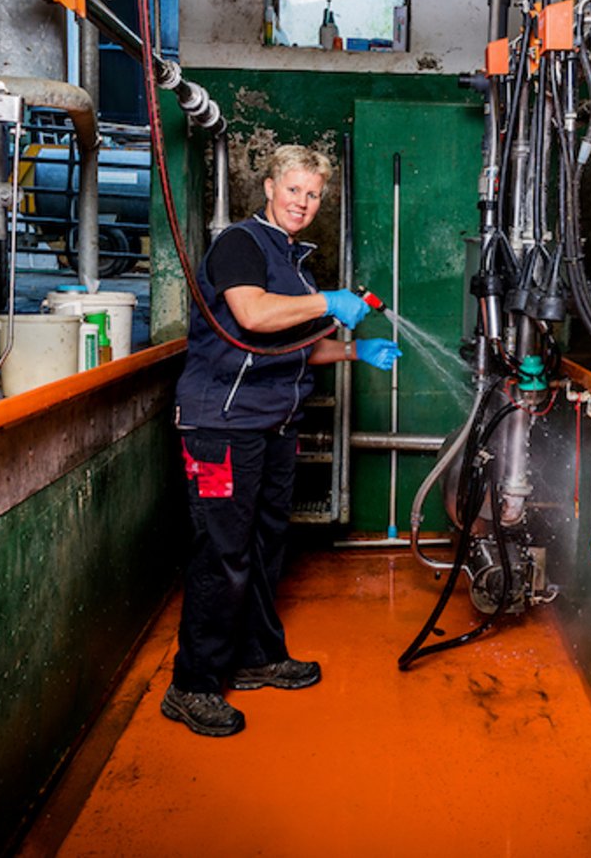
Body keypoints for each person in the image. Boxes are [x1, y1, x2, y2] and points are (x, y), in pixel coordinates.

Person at [163, 144, 401, 737]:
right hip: (223, 425)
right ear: (269, 188)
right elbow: (253, 316)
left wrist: (353, 349)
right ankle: (191, 686)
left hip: (272, 424)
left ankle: (255, 656)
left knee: (266, 544)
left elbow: (295, 341)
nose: (303, 202)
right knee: (223, 552)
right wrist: (327, 302)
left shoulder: (295, 260)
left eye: (314, 194)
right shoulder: (240, 243)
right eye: (294, 189)